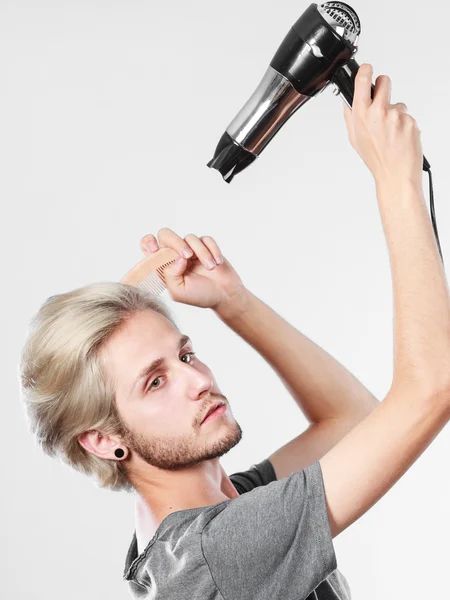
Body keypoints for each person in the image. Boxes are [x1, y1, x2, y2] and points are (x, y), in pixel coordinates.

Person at [19, 64, 450, 599]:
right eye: (154, 382)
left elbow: (353, 420)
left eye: (185, 354)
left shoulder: (207, 519)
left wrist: (234, 302)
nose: (196, 380)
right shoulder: (216, 553)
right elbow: (432, 388)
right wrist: (395, 181)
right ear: (105, 440)